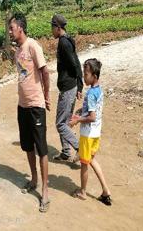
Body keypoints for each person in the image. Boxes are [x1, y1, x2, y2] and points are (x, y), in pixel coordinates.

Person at [8, 12, 51, 213]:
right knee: (27, 146)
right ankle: (33, 179)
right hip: (22, 106)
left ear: (20, 29)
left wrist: (47, 95)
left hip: (35, 105)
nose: (9, 31)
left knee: (41, 148)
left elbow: (44, 71)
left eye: (11, 28)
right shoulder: (18, 51)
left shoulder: (33, 46)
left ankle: (45, 190)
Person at [69, 58, 112, 206]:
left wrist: (77, 120)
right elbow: (94, 112)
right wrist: (82, 111)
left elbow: (92, 117)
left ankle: (83, 192)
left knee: (84, 164)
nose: (83, 76)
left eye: (86, 74)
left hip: (87, 135)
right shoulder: (98, 90)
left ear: (94, 76)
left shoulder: (91, 94)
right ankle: (106, 190)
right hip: (96, 134)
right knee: (92, 161)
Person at [51, 14, 83, 162]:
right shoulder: (65, 41)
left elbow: (75, 63)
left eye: (52, 27)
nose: (51, 30)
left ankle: (79, 148)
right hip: (68, 86)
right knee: (63, 119)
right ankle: (65, 152)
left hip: (68, 87)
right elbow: (75, 61)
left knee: (60, 123)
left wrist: (79, 85)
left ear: (58, 28)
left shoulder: (64, 43)